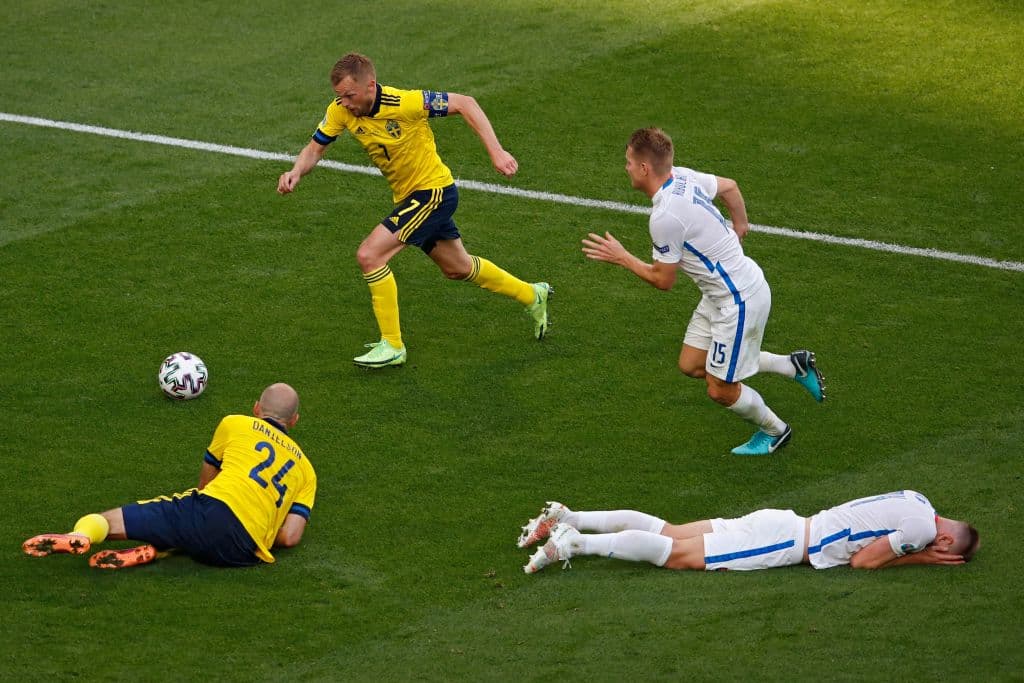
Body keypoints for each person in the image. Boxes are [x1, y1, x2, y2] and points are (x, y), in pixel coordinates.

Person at [277, 52, 551, 368]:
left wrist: (496, 151)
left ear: (370, 86)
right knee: (457, 268)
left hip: (433, 193)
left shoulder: (405, 103)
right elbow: (315, 148)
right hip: (410, 198)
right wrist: (297, 171)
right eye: (339, 96)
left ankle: (392, 345)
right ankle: (533, 295)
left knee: (370, 255)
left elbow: (466, 103)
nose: (345, 103)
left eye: (350, 95)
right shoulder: (340, 111)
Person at [581, 128, 825, 455]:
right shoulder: (682, 177)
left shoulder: (664, 217)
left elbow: (663, 280)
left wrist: (622, 258)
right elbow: (730, 187)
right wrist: (740, 226)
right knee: (692, 364)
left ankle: (776, 431)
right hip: (722, 293)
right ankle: (792, 365)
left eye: (628, 161)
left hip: (739, 301)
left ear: (644, 168)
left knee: (720, 389)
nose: (625, 167)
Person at [22, 383, 316, 569]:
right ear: (294, 421)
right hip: (243, 552)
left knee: (123, 518)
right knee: (202, 533)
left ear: (256, 408)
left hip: (211, 510)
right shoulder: (306, 469)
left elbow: (205, 484)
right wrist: (257, 526)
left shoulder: (236, 423)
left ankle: (81, 535)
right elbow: (290, 537)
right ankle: (157, 551)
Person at [518, 491, 980, 574]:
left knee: (675, 532)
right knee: (679, 555)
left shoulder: (920, 502)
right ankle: (576, 542)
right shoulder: (920, 531)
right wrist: (918, 558)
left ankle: (572, 516)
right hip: (788, 542)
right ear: (944, 543)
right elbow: (863, 562)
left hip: (785, 520)